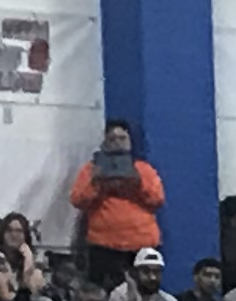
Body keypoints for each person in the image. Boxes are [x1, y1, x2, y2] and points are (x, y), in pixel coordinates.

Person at [66, 120, 163, 283]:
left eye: (122, 138)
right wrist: (96, 185)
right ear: (105, 142)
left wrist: (138, 184)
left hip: (141, 243)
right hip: (104, 245)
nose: (117, 142)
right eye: (112, 138)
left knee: (144, 290)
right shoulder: (91, 169)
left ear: (130, 141)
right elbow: (77, 200)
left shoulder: (144, 169)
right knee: (103, 294)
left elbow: (157, 199)